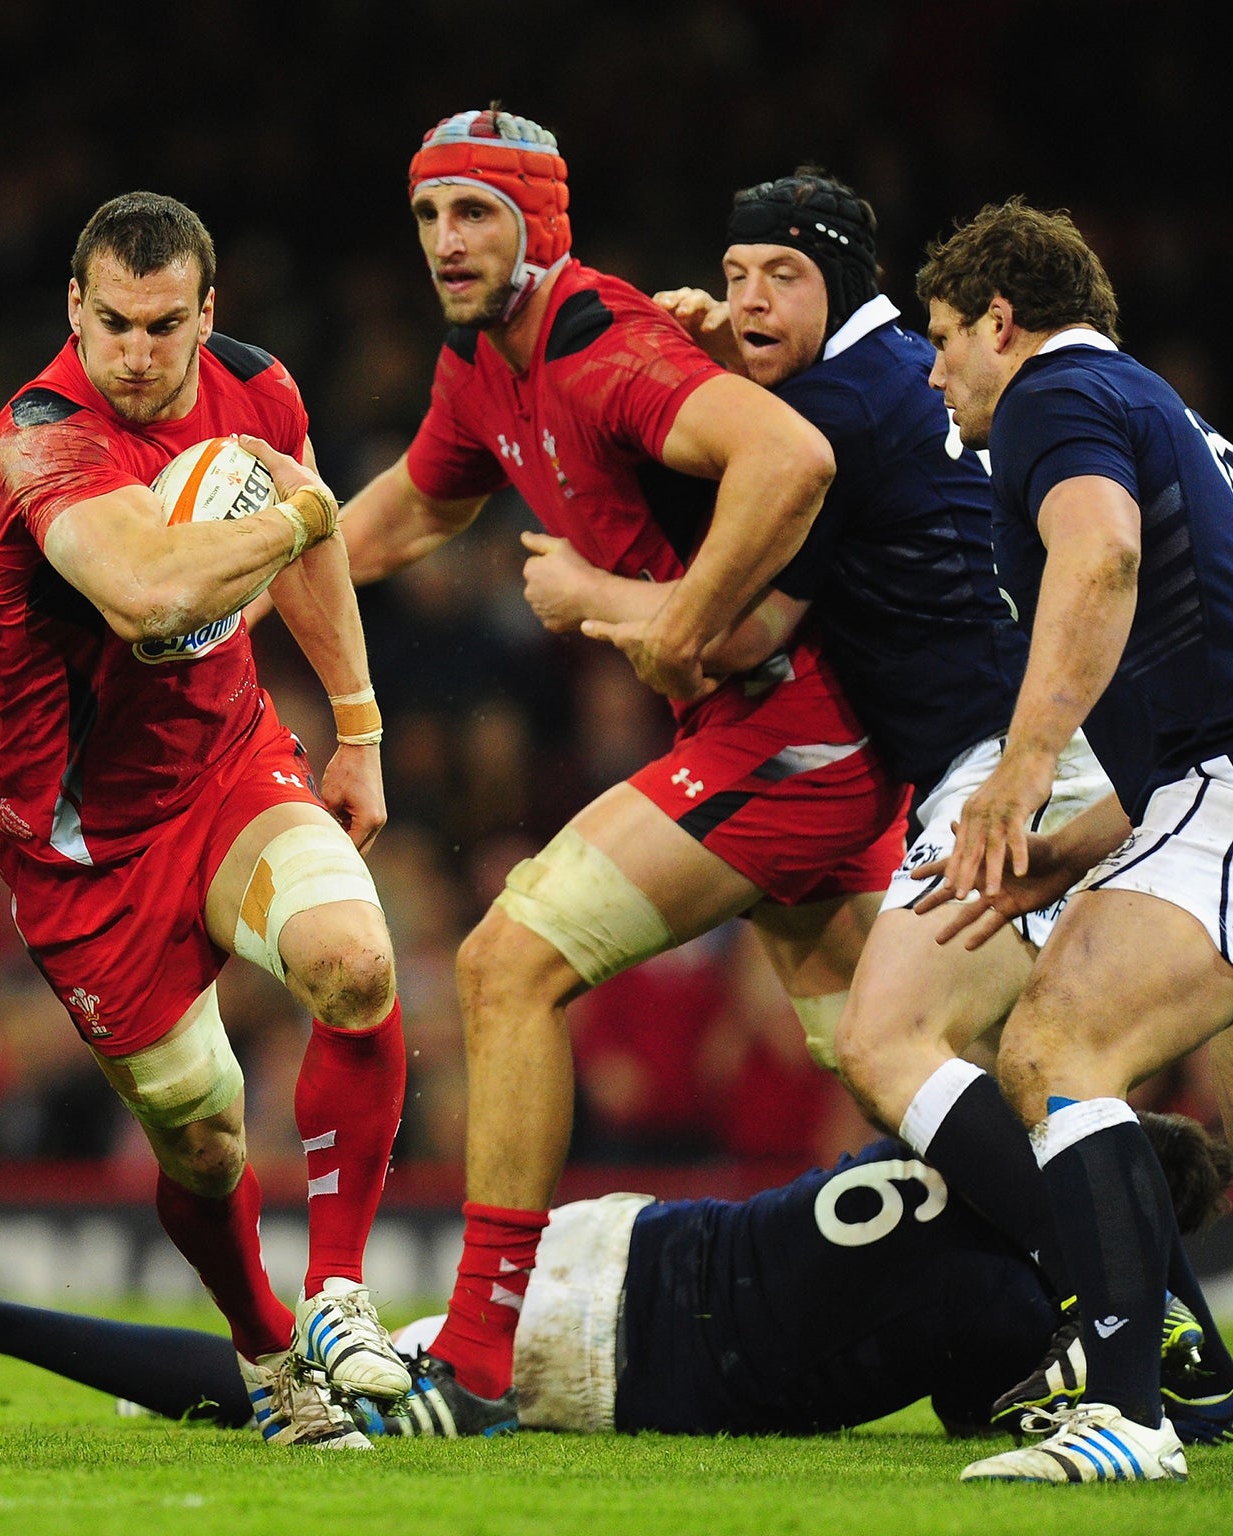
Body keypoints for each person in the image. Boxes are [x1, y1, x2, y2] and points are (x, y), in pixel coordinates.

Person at [334, 108, 908, 1430]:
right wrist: (247, 590)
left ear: (541, 221)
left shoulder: (606, 343)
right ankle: (1127, 1306)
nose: (445, 240)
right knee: (894, 1053)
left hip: (790, 735)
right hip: (761, 740)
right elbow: (419, 505)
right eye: (428, 215)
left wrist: (675, 619)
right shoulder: (482, 362)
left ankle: (475, 1363)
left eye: (474, 211)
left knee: (503, 961)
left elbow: (791, 456)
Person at [529, 171, 1115, 1369]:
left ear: (841, 280)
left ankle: (1113, 1303)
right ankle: (1109, 1325)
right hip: (1025, 758)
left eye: (780, 277)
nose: (747, 300)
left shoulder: (829, 420)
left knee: (885, 1042)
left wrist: (590, 595)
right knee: (1012, 1067)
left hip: (1008, 770)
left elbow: (730, 637)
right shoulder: (893, 377)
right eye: (735, 274)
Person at [0, 191, 407, 1448]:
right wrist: (297, 510)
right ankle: (271, 1359)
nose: (137, 352)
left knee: (355, 964)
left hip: (225, 771)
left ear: (208, 313)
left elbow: (307, 559)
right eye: (111, 321)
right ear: (73, 306)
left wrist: (360, 726)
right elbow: (148, 596)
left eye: (165, 326)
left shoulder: (256, 388)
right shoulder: (40, 435)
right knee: (206, 1141)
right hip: (83, 850)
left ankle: (336, 1298)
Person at [0, 1112, 1232, 1444]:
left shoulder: (945, 1133)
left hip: (620, 1241)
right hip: (624, 1350)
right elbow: (970, 1410)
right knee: (304, 1411)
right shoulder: (1005, 1297)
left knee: (315, 1388)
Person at [894, 198, 1233, 1484]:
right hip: (1197, 784)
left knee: (1054, 1046)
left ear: (1000, 320)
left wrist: (1020, 779)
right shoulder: (1152, 404)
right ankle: (1169, 1397)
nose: (933, 370)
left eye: (941, 335)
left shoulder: (1051, 395)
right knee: (1068, 1048)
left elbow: (1098, 561)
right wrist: (1074, 845)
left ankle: (1134, 1413)